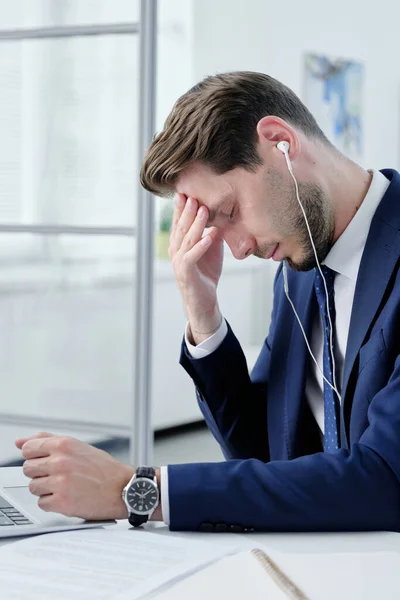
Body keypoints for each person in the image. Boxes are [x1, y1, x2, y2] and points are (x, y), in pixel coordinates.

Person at [16, 71, 400, 533]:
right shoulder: (299, 272)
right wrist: (203, 313)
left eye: (230, 213)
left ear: (279, 142)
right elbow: (263, 453)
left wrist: (137, 490)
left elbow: (386, 477)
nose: (238, 250)